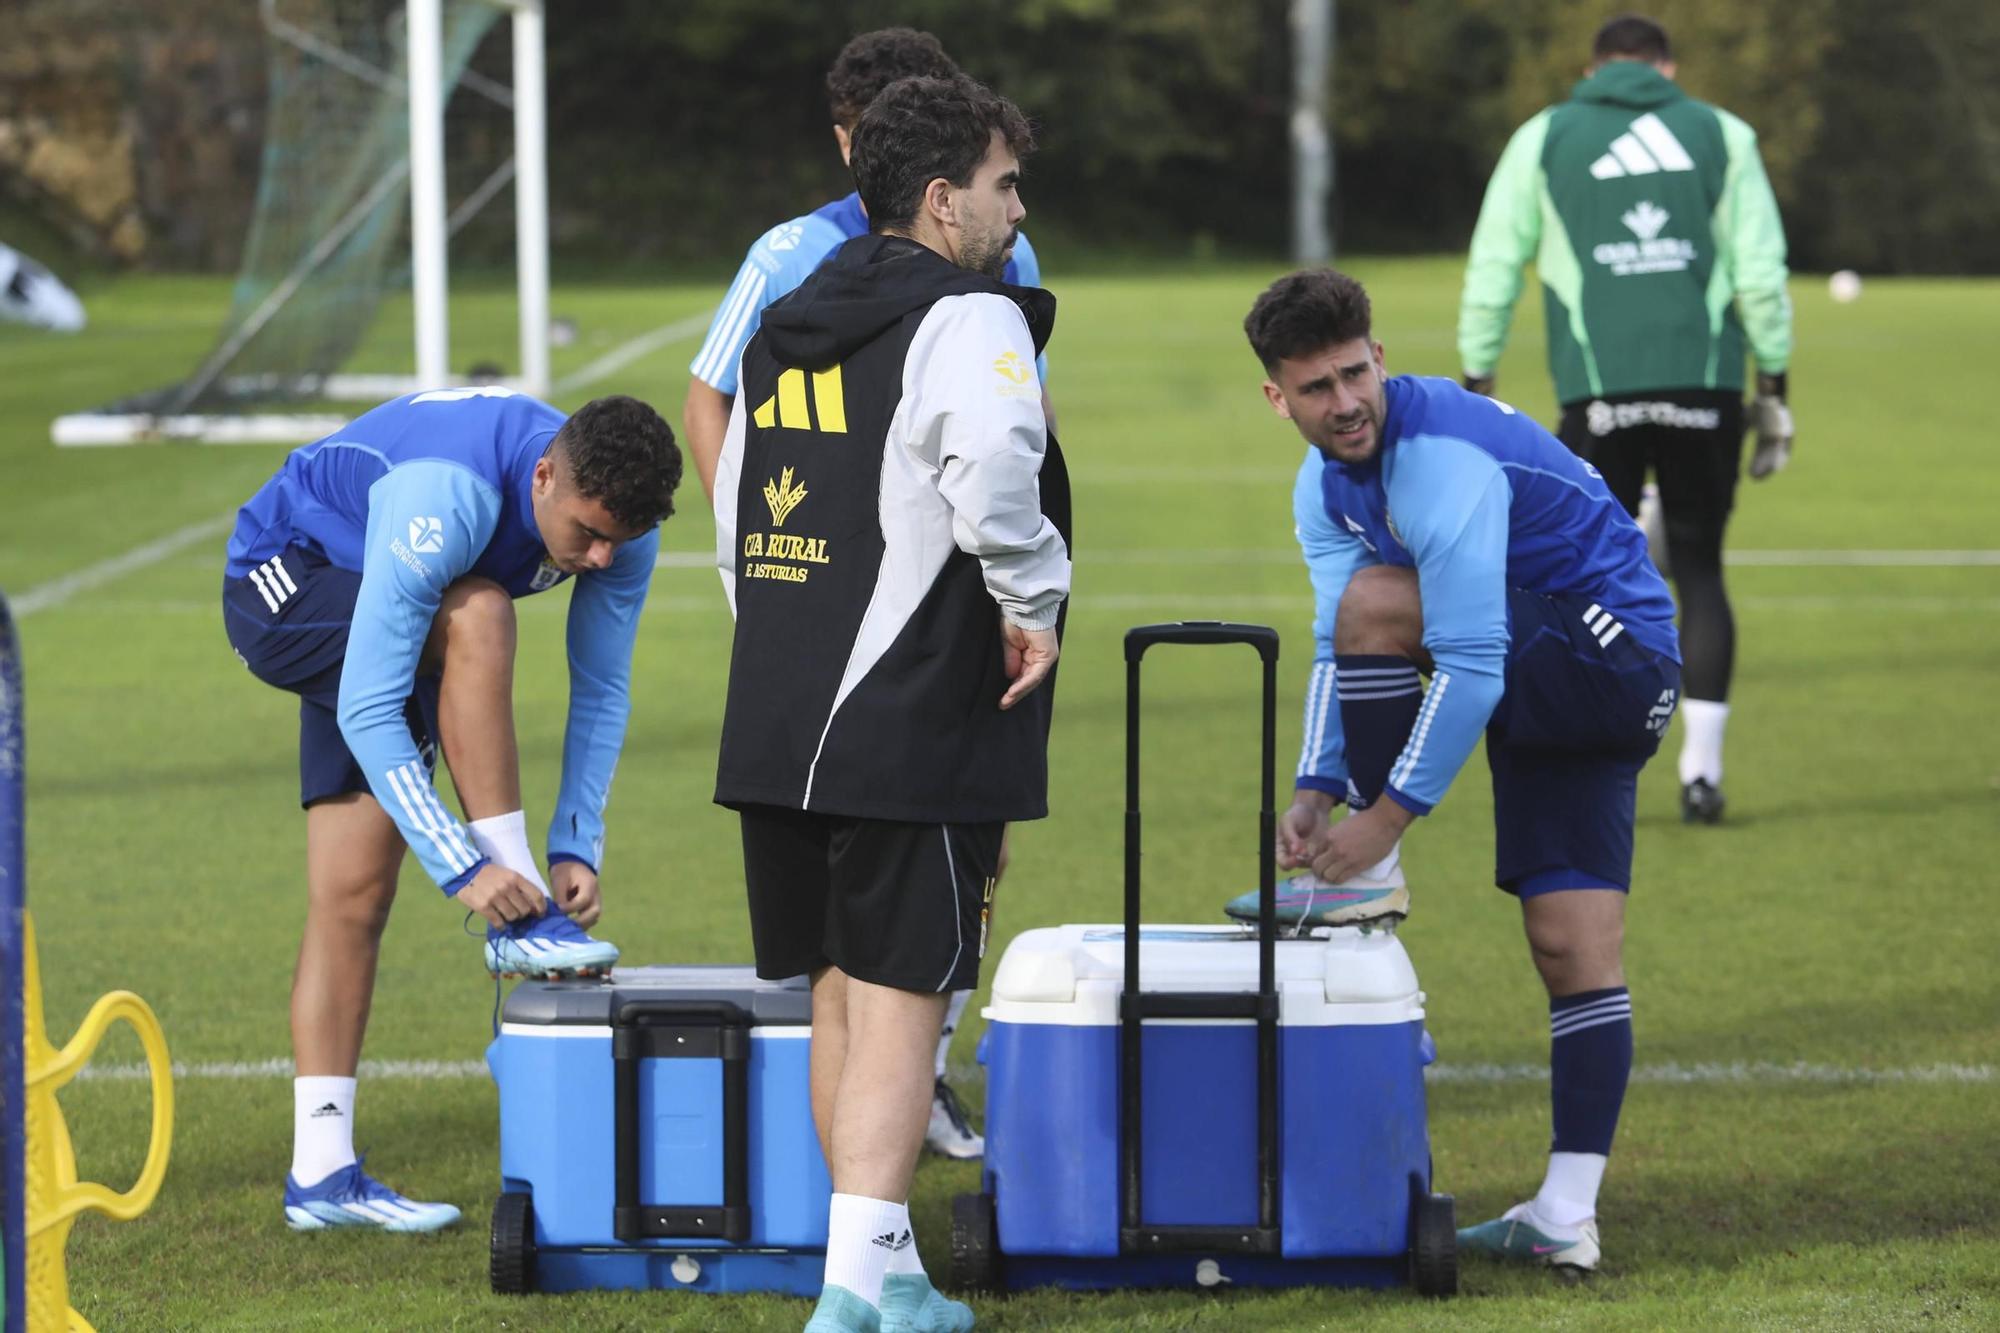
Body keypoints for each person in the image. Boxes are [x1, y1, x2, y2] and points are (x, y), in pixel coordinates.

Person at [712, 75, 1068, 1333]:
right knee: (906, 992)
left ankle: (878, 1269)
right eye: (1002, 186)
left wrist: (779, 644)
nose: (1015, 212)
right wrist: (1037, 596)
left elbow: (735, 504)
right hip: (907, 703)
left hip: (777, 706)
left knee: (836, 990)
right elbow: (992, 480)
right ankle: (857, 1295)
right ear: (938, 199)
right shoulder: (971, 319)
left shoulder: (785, 317)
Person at [1237, 268, 1680, 1273]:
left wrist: (1378, 825)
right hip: (1557, 671)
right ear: (1278, 397)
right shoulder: (1322, 486)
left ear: (1379, 356)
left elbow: (1463, 661)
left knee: (1385, 600)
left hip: (1608, 657)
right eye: (1315, 388)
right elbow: (1333, 636)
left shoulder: (1436, 457)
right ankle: (1565, 1213)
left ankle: (1378, 880)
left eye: (1355, 374)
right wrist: (1314, 786)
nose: (1345, 403)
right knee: (1570, 943)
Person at [222, 388, 680, 1231]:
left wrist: (577, 841)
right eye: (588, 533)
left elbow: (604, 688)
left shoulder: (620, 533)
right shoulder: (449, 494)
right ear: (544, 477)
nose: (602, 557)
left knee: (356, 891)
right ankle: (520, 913)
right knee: (481, 611)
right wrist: (476, 871)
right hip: (285, 573)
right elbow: (368, 702)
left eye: (622, 537)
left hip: (392, 594)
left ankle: (321, 1175)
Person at [1457, 12, 1794, 824]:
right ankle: (1701, 776)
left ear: (1592, 69)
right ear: (1666, 69)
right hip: (1708, 388)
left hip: (1598, 395)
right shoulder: (1724, 134)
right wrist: (1774, 385)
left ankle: (1593, 765)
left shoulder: (1545, 134)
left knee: (1583, 583)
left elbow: (1496, 261)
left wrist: (1478, 373)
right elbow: (1760, 269)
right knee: (1704, 572)